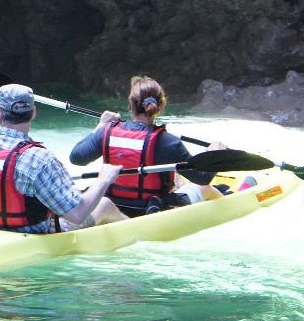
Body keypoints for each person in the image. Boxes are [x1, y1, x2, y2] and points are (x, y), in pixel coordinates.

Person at [0, 84, 127, 233]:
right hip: (35, 234)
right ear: (33, 113)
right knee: (104, 204)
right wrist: (104, 179)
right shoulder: (39, 159)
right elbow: (77, 215)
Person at [69, 75, 227, 217]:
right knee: (205, 189)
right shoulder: (168, 142)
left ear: (131, 105)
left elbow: (77, 158)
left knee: (179, 179)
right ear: (160, 106)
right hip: (150, 210)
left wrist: (101, 125)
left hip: (113, 204)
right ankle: (232, 201)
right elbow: (202, 178)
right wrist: (214, 154)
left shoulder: (106, 132)